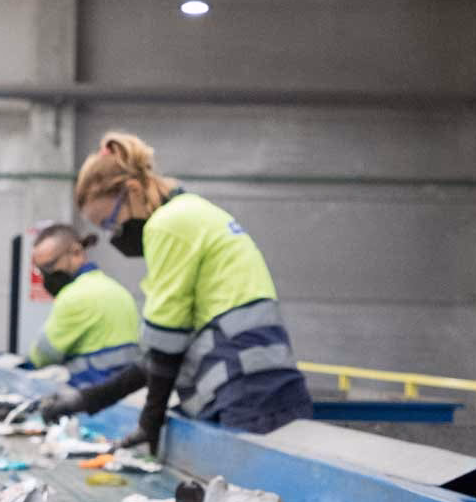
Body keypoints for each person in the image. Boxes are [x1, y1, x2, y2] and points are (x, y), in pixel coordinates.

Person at [41, 132, 313, 449]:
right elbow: (157, 356)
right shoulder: (191, 212)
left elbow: (165, 346)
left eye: (111, 222)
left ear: (132, 191)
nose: (114, 235)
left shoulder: (167, 224)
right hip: (263, 385)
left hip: (246, 392)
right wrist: (86, 400)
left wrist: (149, 422)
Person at [24, 223, 140, 388]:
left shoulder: (74, 296)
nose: (46, 276)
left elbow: (43, 355)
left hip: (89, 392)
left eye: (50, 266)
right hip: (123, 392)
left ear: (76, 252)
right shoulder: (118, 289)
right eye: (40, 270)